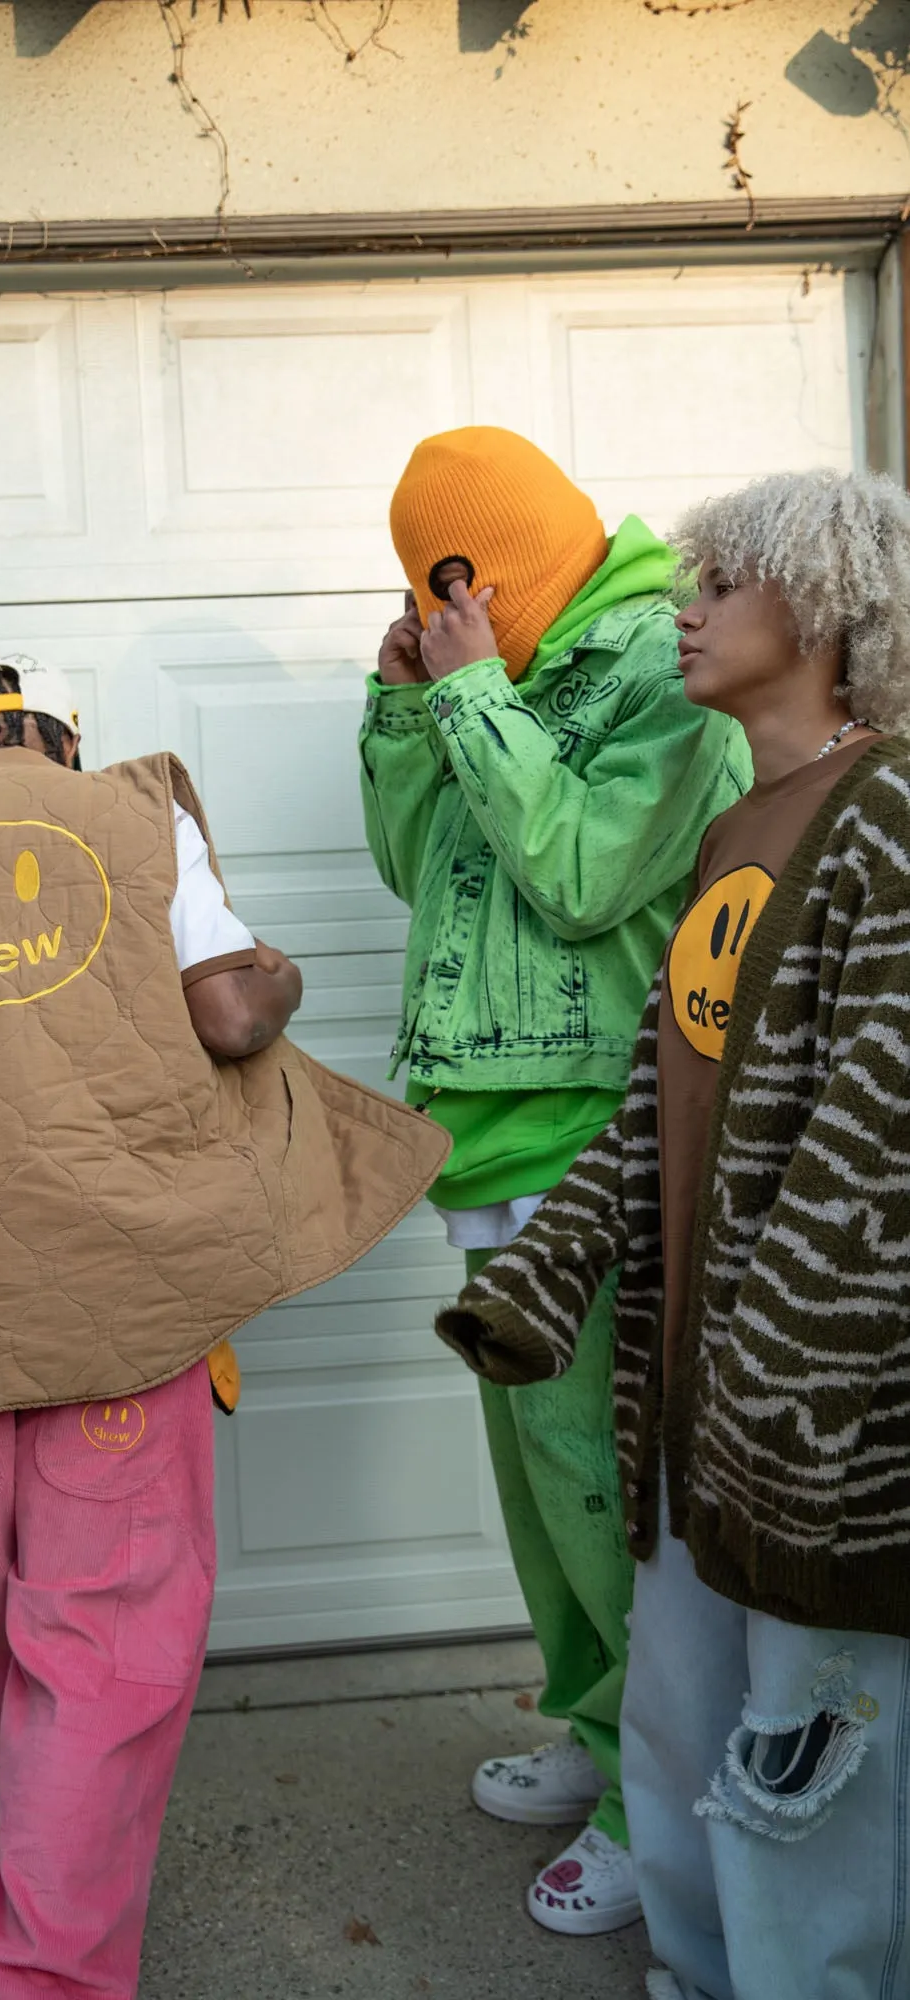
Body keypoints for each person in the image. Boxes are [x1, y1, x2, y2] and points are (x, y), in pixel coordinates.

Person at [0, 652, 448, 2000]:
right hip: (125, 1298)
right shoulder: (134, 814)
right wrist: (280, 979)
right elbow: (232, 1016)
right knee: (105, 1653)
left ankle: (43, 1884)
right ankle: (34, 1973)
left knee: (2, 1620)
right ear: (69, 739)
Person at [437, 465, 910, 2000]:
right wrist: (545, 1273)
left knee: (807, 1774)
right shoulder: (739, 821)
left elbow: (873, 1170)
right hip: (691, 1416)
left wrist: (777, 1405)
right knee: (679, 1727)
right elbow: (659, 1101)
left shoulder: (883, 823)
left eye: (722, 584)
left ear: (825, 609)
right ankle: (699, 1971)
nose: (684, 609)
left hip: (816, 1448)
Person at [359, 426, 750, 1935]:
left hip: (597, 1136)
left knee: (604, 1494)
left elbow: (584, 872)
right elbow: (416, 864)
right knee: (544, 1496)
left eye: (451, 583)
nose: (445, 610)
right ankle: (599, 1735)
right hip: (486, 1135)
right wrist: (412, 712)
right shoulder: (499, 676)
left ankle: (669, 1811)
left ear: (494, 569)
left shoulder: (664, 664)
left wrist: (469, 692)